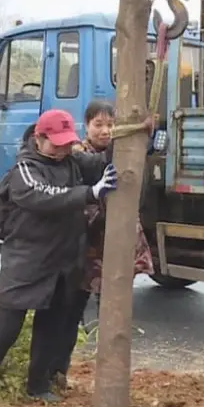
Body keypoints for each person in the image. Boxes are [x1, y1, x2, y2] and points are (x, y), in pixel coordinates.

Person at [0, 109, 119, 407]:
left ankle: (37, 385)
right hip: (26, 263)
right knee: (7, 327)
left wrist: (128, 133)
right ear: (39, 139)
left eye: (68, 143)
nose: (63, 149)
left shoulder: (72, 161)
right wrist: (90, 192)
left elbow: (102, 162)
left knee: (49, 327)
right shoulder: (24, 170)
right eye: (57, 143)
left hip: (62, 264)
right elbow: (45, 197)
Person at [49, 100, 155, 390]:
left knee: (112, 309)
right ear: (87, 126)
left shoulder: (123, 152)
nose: (105, 131)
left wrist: (141, 138)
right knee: (72, 309)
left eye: (111, 125)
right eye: (99, 125)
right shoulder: (78, 153)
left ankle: (109, 376)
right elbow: (99, 166)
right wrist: (131, 135)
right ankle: (56, 371)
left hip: (116, 243)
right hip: (86, 243)